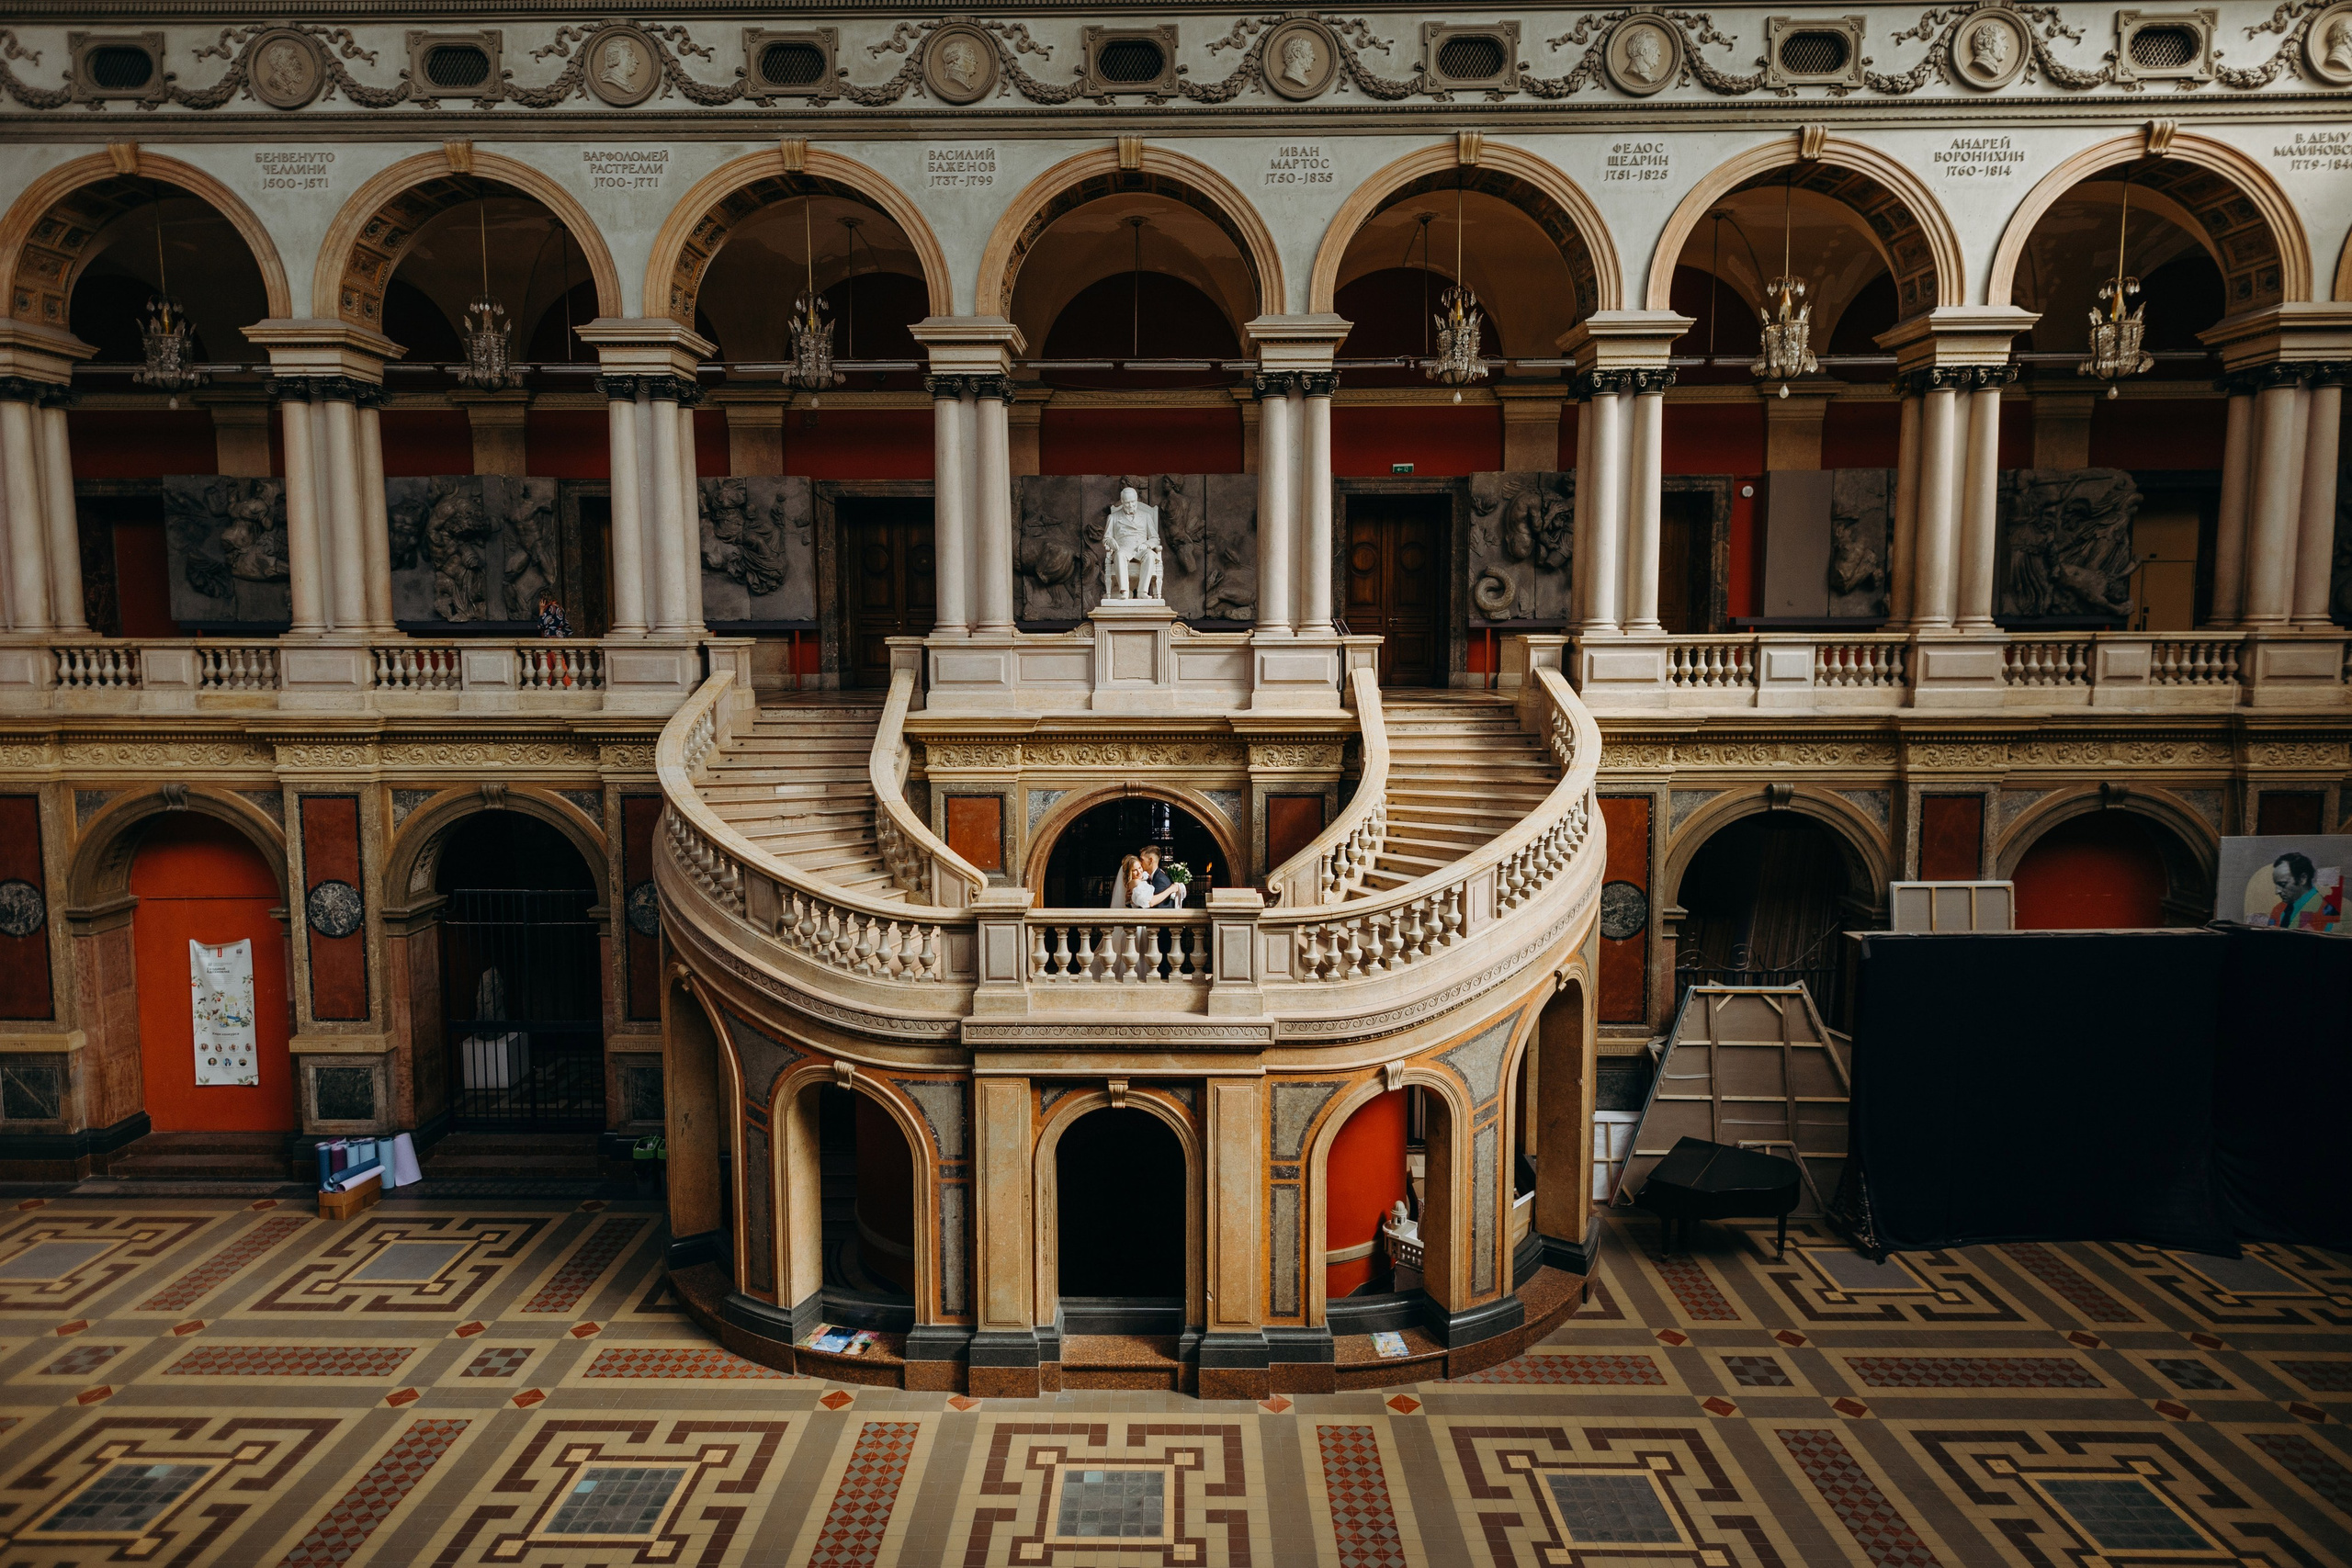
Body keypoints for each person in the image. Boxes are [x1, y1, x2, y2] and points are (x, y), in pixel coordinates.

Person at [2265, 852, 2340, 932]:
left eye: (2283, 884)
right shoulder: (2278, 909)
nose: (2277, 891)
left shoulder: (2328, 913)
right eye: (2277, 885)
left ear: (2303, 879)